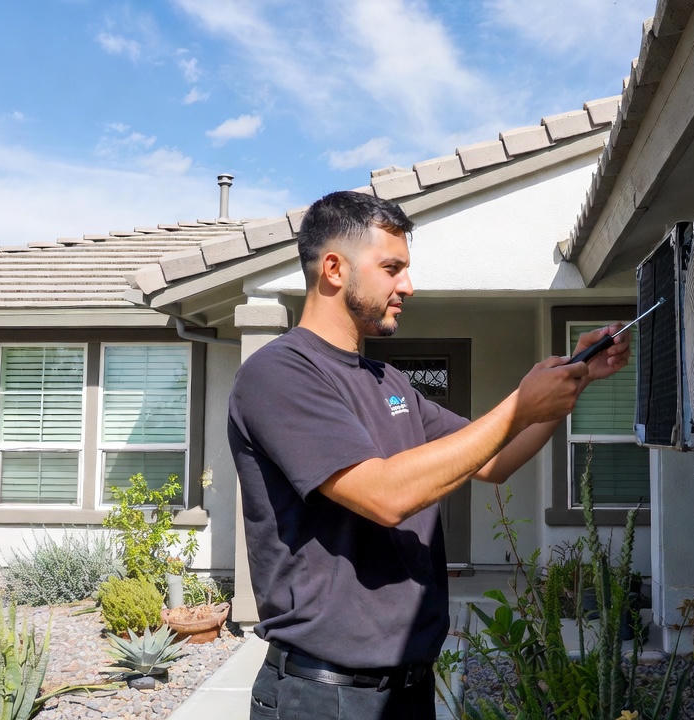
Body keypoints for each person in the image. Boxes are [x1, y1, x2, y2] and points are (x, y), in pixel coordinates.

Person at [228, 190, 630, 719]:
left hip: (408, 688)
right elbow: (384, 495)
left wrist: (570, 384)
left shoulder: (389, 383)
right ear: (333, 269)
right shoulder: (278, 375)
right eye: (392, 268)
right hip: (324, 697)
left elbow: (494, 460)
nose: (407, 287)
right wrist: (518, 403)